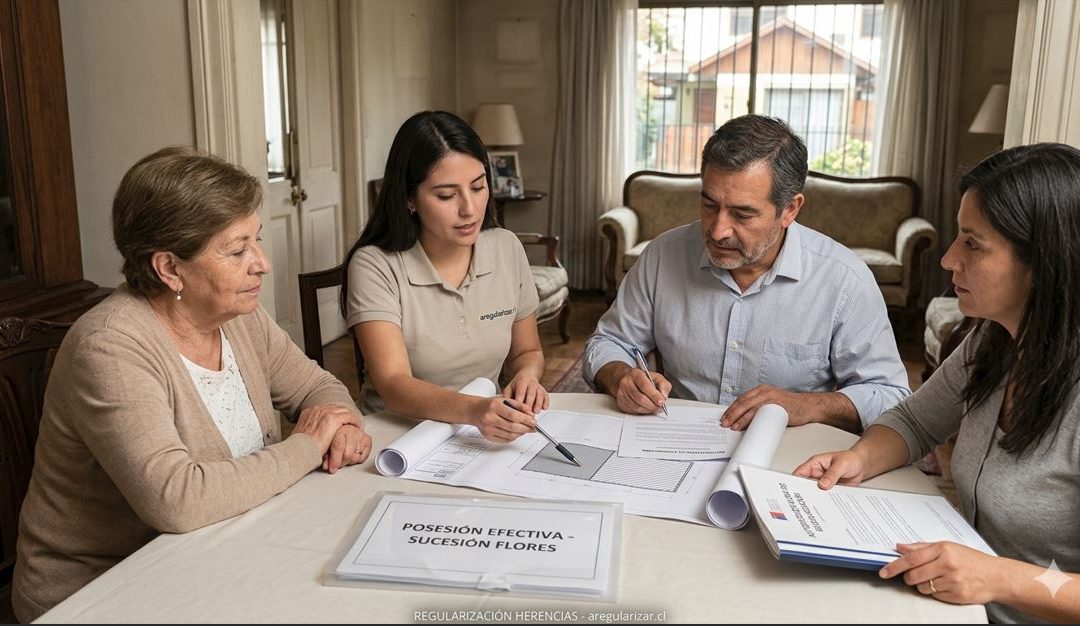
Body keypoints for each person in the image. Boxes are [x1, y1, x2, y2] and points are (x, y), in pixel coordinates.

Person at [11, 147, 373, 622]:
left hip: (221, 549)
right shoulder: (109, 348)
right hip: (103, 589)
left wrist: (339, 427)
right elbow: (176, 500)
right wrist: (308, 444)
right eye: (237, 250)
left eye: (256, 241)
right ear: (169, 268)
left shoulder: (239, 316)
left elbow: (321, 390)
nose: (261, 264)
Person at [794, 143, 1080, 624]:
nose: (948, 260)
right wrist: (859, 458)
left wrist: (998, 577)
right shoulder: (994, 339)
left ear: (1044, 262)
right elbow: (913, 420)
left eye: (973, 244)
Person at [583, 114, 909, 433]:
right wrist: (620, 376)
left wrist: (807, 405)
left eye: (742, 214)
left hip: (788, 456)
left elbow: (889, 395)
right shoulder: (662, 256)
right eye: (710, 205)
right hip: (676, 443)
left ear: (790, 209)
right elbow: (609, 342)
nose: (719, 230)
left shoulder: (843, 280)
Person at [341, 110, 547, 443]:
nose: (469, 209)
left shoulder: (507, 248)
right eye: (447, 196)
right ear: (409, 199)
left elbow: (527, 352)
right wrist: (475, 410)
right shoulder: (374, 265)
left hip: (479, 434)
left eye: (478, 187)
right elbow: (393, 383)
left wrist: (527, 377)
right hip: (398, 439)